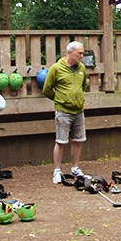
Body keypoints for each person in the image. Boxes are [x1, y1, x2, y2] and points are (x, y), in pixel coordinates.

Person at [42, 41, 88, 184]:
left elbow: (83, 86)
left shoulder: (82, 68)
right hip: (63, 111)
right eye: (79, 53)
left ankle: (75, 168)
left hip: (79, 110)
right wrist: (60, 100)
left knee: (78, 141)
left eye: (82, 53)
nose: (82, 56)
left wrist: (77, 99)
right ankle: (57, 170)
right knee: (61, 141)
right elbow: (47, 89)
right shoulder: (56, 68)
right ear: (70, 52)